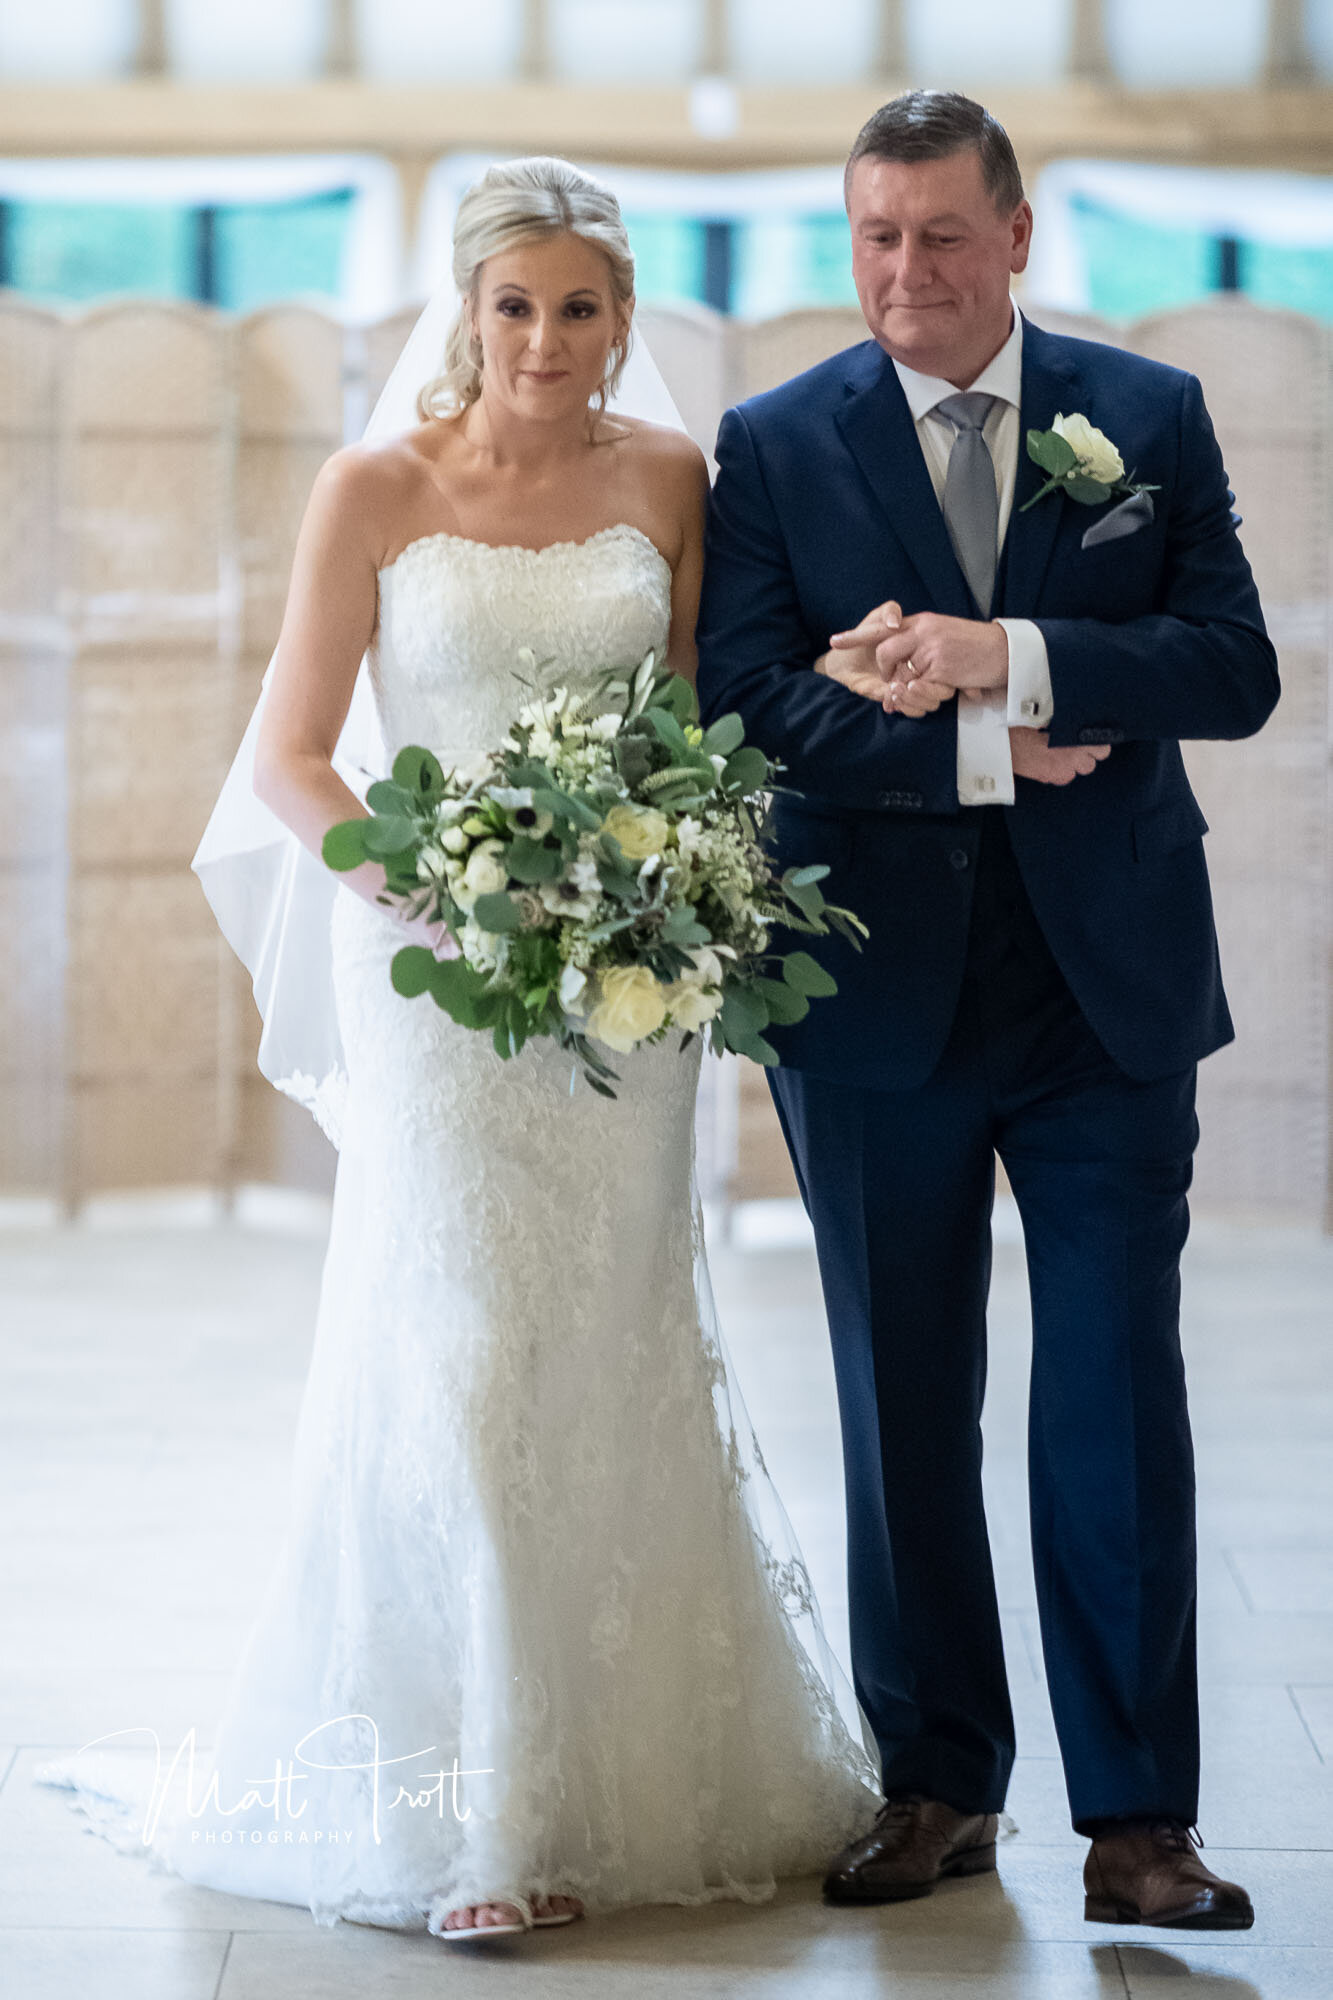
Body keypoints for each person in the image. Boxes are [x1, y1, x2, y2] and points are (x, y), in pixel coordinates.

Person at [34, 156, 883, 1942]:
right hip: (440, 985)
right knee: (472, 1359)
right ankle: (487, 1816)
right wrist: (424, 894)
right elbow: (288, 756)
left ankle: (628, 1766)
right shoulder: (376, 486)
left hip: (620, 994)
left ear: (621, 321)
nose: (547, 341)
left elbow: (710, 724)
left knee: (617, 1340)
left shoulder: (669, 481)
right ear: (464, 309)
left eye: (581, 309)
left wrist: (662, 873)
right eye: (516, 305)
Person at [695, 90, 1279, 1930]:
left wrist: (1008, 651)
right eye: (871, 236)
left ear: (1016, 236)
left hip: (1107, 994)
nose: (901, 274)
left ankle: (1139, 1820)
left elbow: (1232, 669)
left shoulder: (1147, 414)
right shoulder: (773, 441)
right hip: (871, 993)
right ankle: (936, 1781)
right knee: (900, 1397)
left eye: (939, 235)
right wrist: (974, 744)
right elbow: (741, 700)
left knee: (1113, 1392)